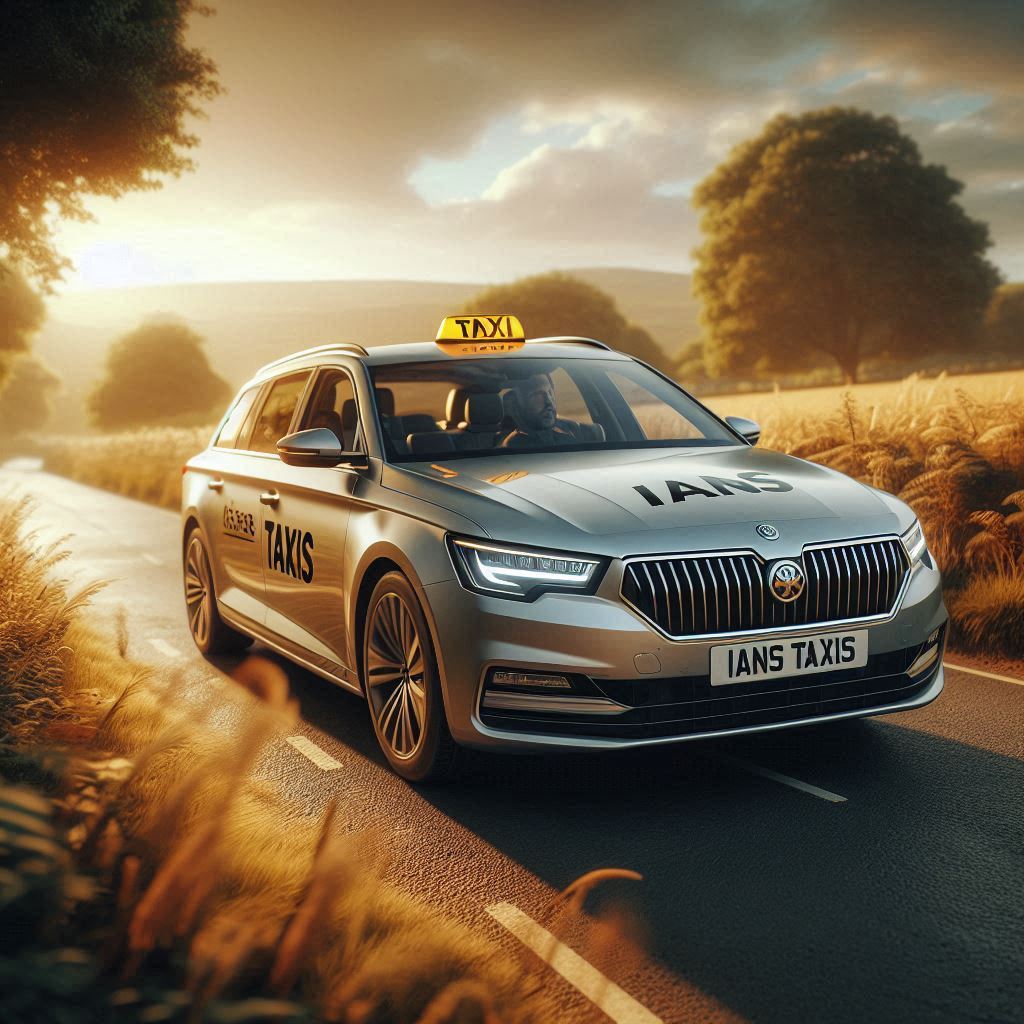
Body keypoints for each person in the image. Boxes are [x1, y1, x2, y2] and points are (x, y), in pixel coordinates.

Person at [501, 373, 577, 448]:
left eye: (550, 393)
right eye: (537, 395)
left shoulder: (567, 438)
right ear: (516, 403)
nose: (549, 402)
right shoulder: (512, 449)